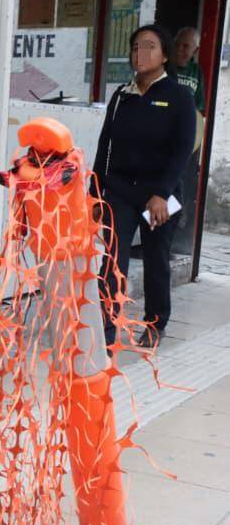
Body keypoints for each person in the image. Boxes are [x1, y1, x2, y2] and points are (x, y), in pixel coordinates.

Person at [95, 24, 196, 348]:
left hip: (159, 195)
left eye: (150, 46)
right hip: (120, 190)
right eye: (136, 47)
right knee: (112, 261)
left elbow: (182, 151)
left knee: (155, 261)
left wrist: (162, 194)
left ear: (164, 55)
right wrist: (95, 193)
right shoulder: (121, 96)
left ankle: (155, 322)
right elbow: (104, 146)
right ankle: (106, 329)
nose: (141, 53)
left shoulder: (179, 96)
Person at [172, 26, 206, 254]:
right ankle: (147, 239)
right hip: (162, 142)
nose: (182, 50)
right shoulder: (164, 68)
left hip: (186, 144)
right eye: (179, 44)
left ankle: (168, 239)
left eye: (187, 46)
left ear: (196, 50)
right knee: (158, 191)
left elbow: (200, 110)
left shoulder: (196, 73)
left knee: (178, 194)